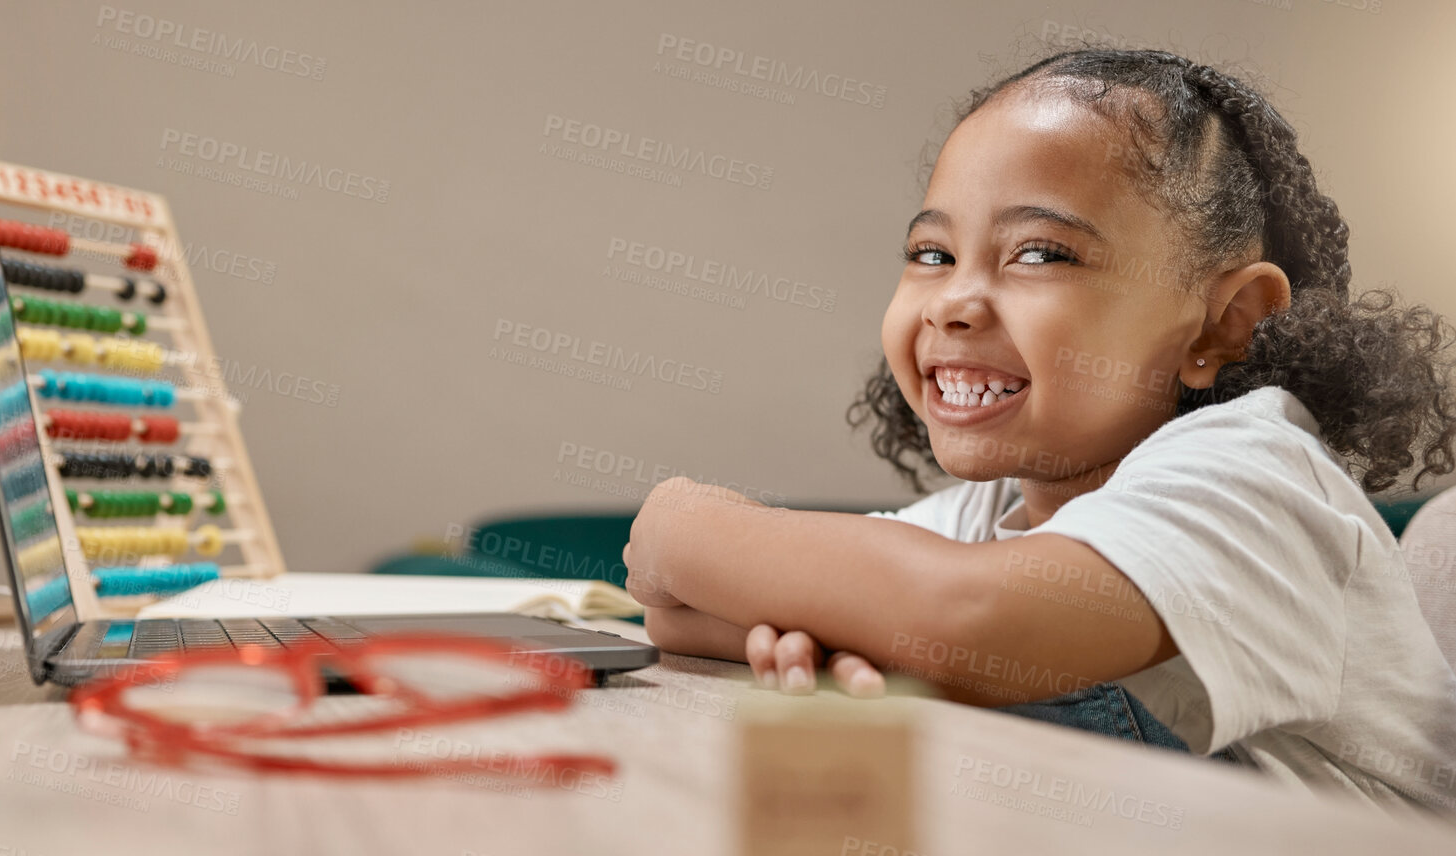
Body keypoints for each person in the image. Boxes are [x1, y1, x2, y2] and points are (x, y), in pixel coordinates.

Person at [622, 48, 1456, 814]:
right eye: (933, 254)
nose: (952, 302)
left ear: (1222, 324)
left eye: (1040, 254)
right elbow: (681, 615)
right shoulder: (985, 518)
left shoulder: (1257, 477)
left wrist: (677, 520)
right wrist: (836, 631)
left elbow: (960, 620)